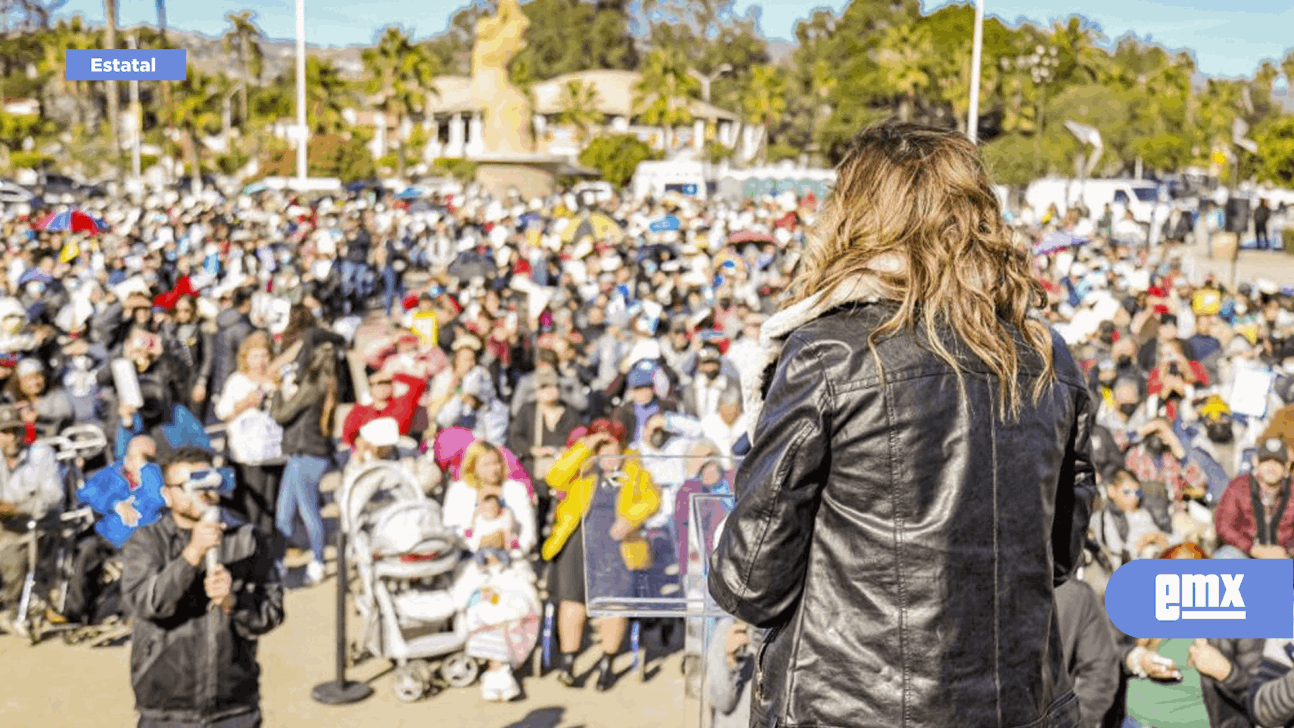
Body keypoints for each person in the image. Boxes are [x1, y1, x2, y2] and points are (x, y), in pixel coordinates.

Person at [707, 122, 1096, 728]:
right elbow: (1059, 557)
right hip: (1019, 704)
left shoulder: (829, 352)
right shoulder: (1049, 356)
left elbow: (751, 579)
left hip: (854, 706)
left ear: (855, 215)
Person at [120, 446, 284, 728]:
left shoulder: (247, 538)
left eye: (209, 481)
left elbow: (271, 613)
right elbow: (145, 603)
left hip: (234, 708)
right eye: (189, 485)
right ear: (167, 494)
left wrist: (234, 603)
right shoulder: (147, 541)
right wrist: (192, 555)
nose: (203, 493)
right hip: (166, 709)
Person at [541, 419, 661, 691]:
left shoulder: (635, 470)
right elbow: (554, 477)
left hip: (618, 547)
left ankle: (607, 662)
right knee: (572, 601)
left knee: (613, 604)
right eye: (602, 446)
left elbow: (652, 499)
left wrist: (631, 519)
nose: (608, 454)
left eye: (612, 446)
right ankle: (569, 662)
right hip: (578, 542)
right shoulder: (584, 468)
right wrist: (585, 448)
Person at [270, 339, 339, 587]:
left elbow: (281, 415)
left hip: (305, 454)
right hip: (307, 454)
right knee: (284, 512)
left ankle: (317, 561)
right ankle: (279, 562)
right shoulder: (329, 384)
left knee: (307, 512)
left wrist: (277, 391)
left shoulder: (312, 386)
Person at [0, 404, 61, 629]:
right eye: (4, 432)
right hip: (4, 524)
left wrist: (16, 508)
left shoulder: (41, 453)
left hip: (35, 525)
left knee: (10, 552)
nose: (11, 438)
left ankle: (11, 607)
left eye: (15, 431)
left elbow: (53, 497)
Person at [1213, 437, 1294, 559]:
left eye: (1278, 462)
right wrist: (1253, 549)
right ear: (1256, 461)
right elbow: (1223, 527)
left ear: (1287, 466)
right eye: (1266, 460)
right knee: (1225, 556)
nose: (1271, 467)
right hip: (1246, 553)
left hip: (1283, 556)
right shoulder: (1238, 487)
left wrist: (1287, 553)